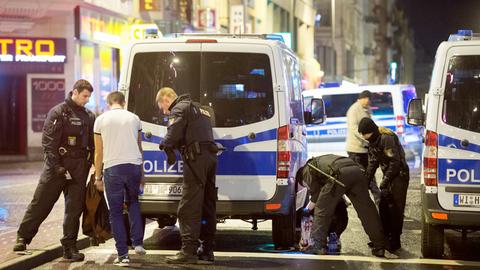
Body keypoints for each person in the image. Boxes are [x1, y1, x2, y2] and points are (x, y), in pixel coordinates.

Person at [13, 80, 95, 261]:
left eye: (89, 96)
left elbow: (93, 143)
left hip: (79, 168)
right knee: (41, 203)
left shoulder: (89, 116)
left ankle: (70, 247)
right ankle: (23, 238)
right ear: (74, 92)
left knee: (74, 210)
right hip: (56, 167)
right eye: (84, 96)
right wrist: (57, 166)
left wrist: (90, 163)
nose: (87, 100)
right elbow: (48, 143)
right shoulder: (58, 112)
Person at [156, 87, 218, 265]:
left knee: (189, 205)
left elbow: (172, 134)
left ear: (167, 99)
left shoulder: (179, 108)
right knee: (208, 204)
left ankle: (188, 251)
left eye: (162, 106)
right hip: (210, 159)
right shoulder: (202, 109)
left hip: (196, 159)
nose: (164, 111)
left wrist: (165, 146)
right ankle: (207, 249)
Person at [93, 92, 146, 266]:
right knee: (134, 203)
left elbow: (99, 152)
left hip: (112, 168)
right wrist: (143, 173)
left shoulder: (100, 120)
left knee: (115, 212)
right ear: (123, 102)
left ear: (108, 103)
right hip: (133, 166)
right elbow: (139, 146)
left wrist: (97, 176)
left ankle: (123, 255)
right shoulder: (134, 118)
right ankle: (138, 243)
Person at [296, 154, 386, 257]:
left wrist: (307, 209)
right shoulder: (319, 162)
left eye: (305, 185)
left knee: (322, 210)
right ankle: (379, 246)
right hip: (356, 171)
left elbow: (316, 195)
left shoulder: (307, 170)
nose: (307, 186)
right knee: (367, 210)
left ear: (302, 179)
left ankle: (318, 246)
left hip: (339, 174)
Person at [358, 117, 409, 253]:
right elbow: (372, 164)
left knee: (396, 209)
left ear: (370, 131)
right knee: (384, 206)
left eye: (364, 133)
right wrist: (365, 183)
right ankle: (384, 238)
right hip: (389, 175)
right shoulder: (373, 142)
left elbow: (395, 162)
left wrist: (384, 181)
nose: (363, 136)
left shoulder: (386, 139)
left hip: (399, 175)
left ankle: (395, 241)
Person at [346, 90, 381, 204]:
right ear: (362, 98)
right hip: (355, 149)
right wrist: (366, 138)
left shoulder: (367, 109)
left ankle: (375, 198)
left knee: (368, 174)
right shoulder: (354, 110)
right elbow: (354, 128)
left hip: (365, 149)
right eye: (367, 99)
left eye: (369, 99)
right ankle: (367, 198)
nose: (368, 101)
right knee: (360, 175)